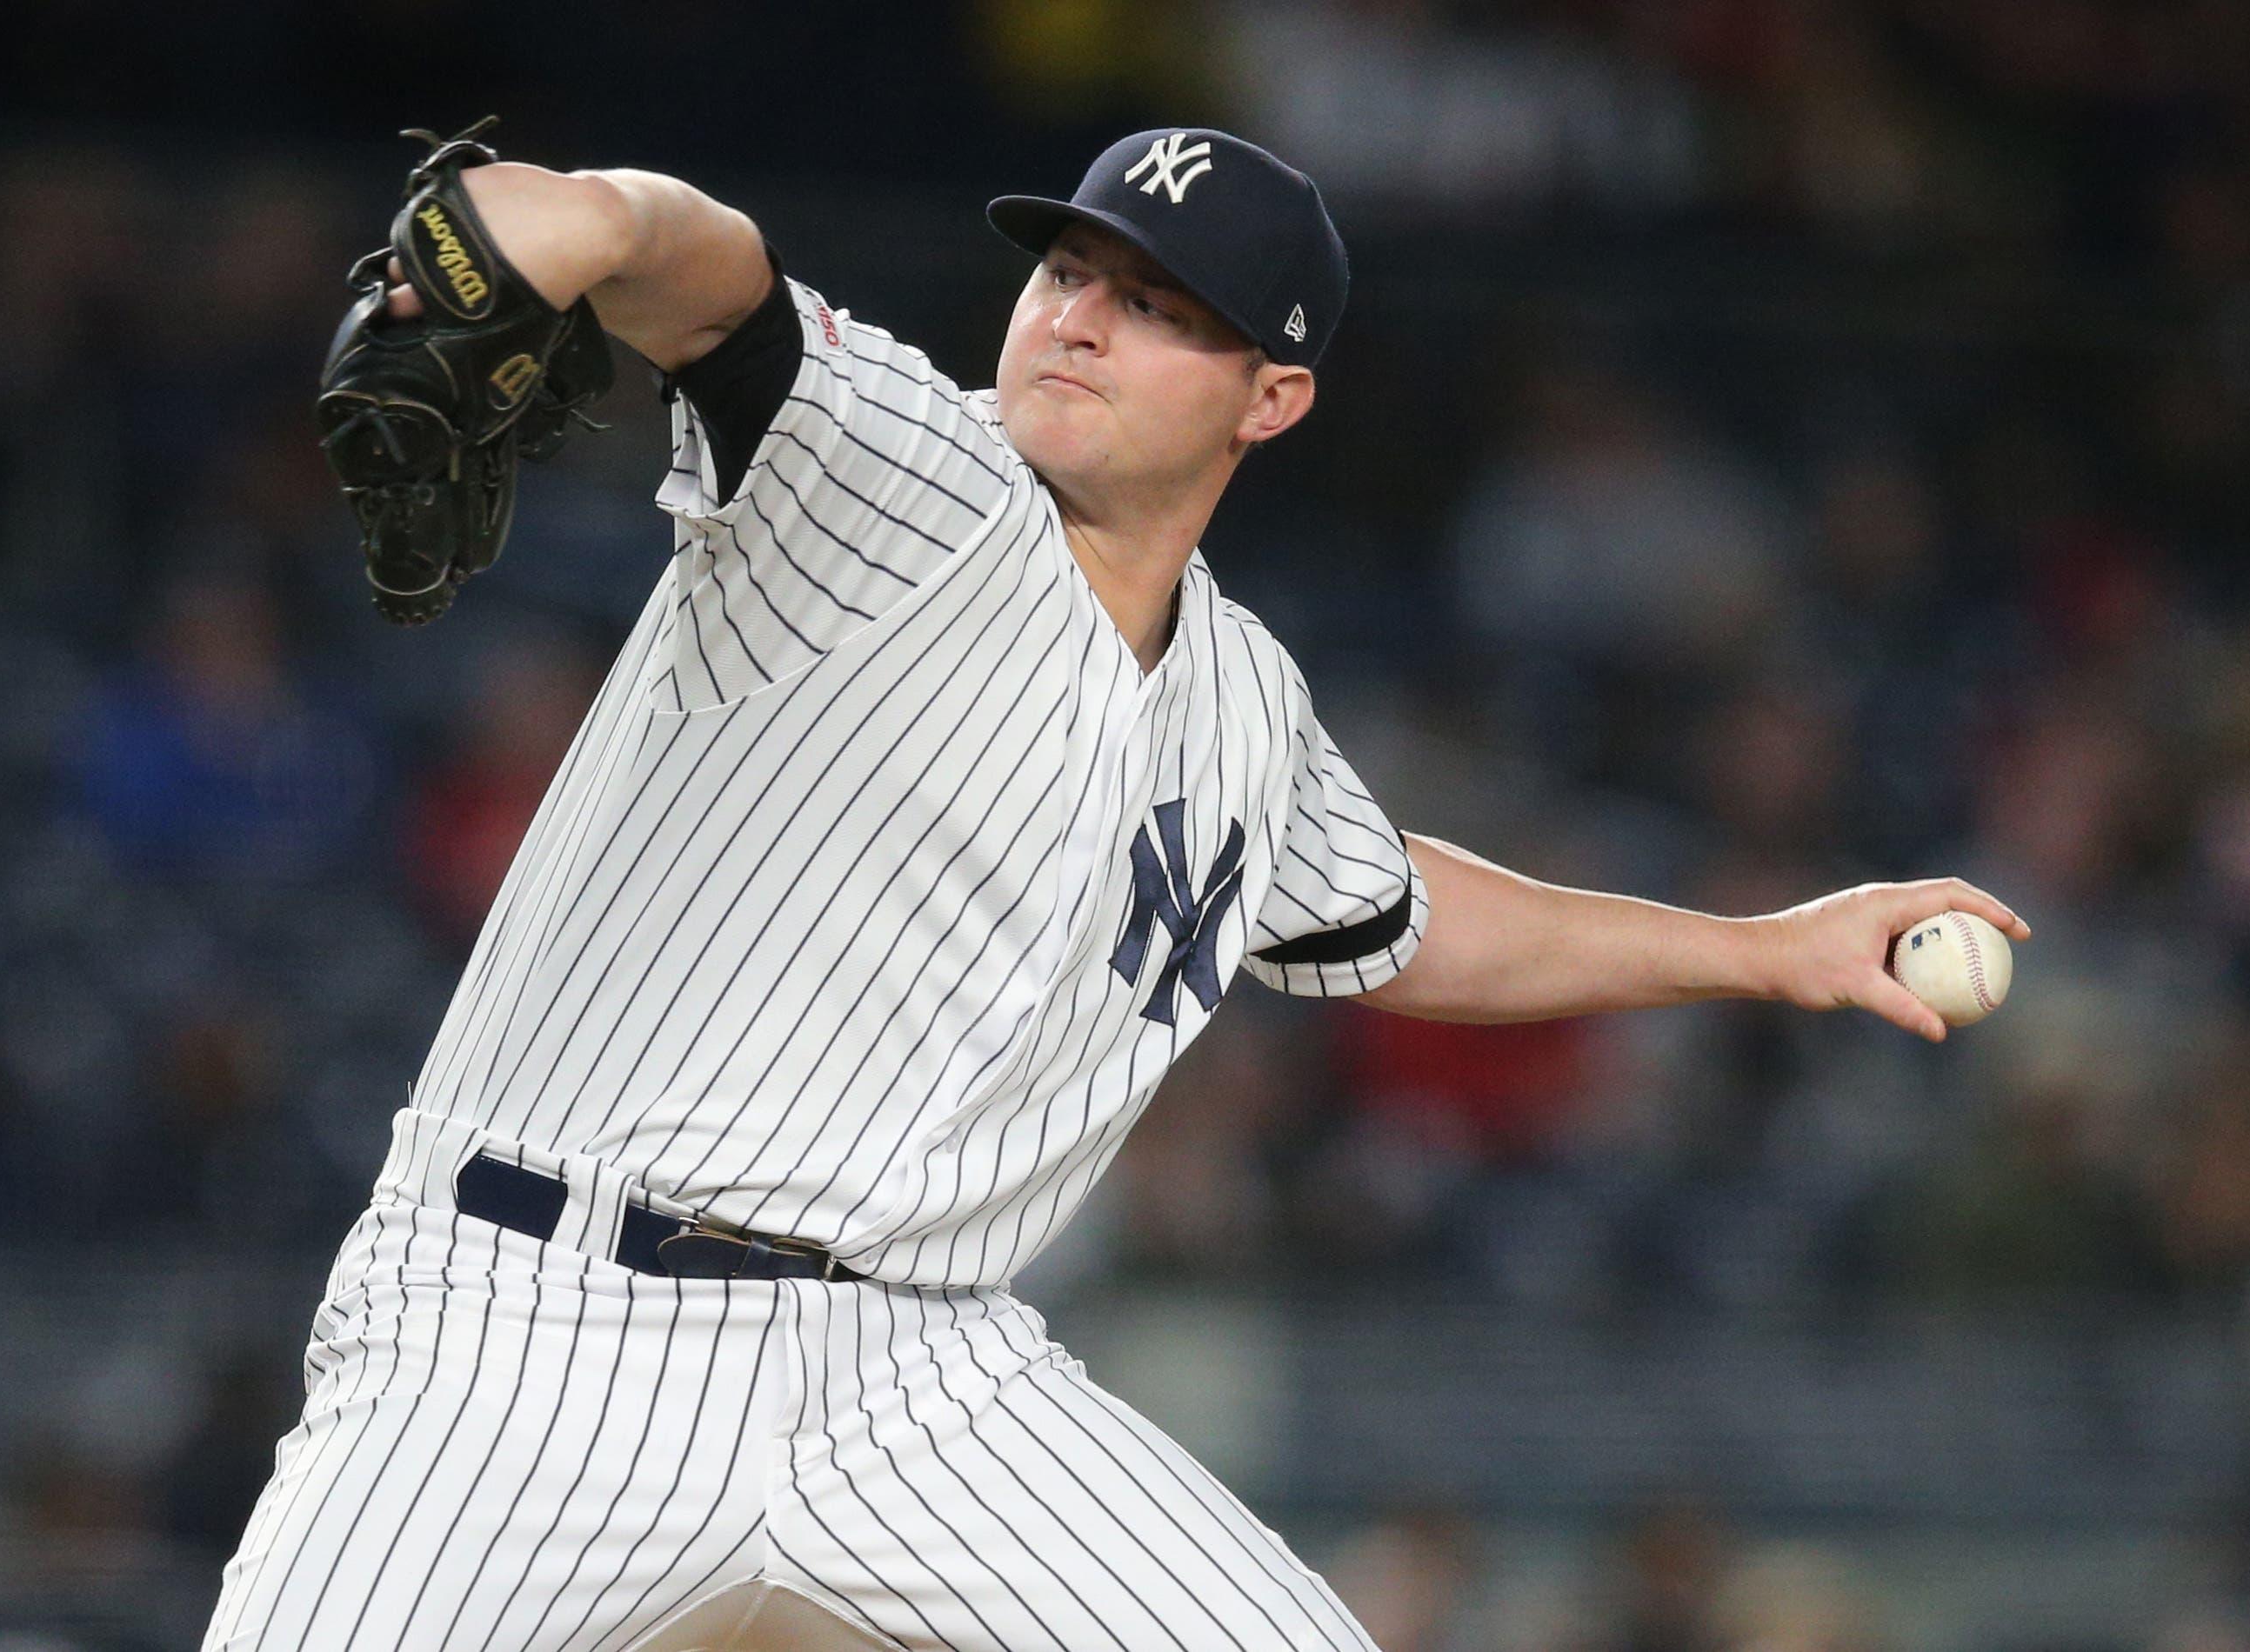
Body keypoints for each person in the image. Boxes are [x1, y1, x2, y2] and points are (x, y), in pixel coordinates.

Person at [202, 127, 2027, 1651]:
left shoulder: (1245, 701)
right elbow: (710, 270)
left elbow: (1401, 915)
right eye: (1070, 271)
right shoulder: (893, 472)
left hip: (917, 1370)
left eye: (1159, 307)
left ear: (1273, 394)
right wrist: (589, 220)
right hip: (538, 1321)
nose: (1080, 318)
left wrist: (1766, 948)